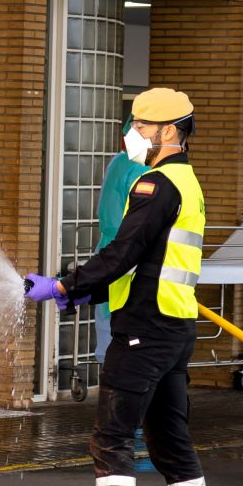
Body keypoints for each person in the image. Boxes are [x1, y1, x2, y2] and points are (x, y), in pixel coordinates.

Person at [25, 87, 212, 486]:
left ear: (168, 130)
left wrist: (66, 285)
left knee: (110, 439)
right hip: (173, 328)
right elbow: (150, 262)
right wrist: (86, 294)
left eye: (141, 125)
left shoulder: (155, 185)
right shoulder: (187, 181)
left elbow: (126, 248)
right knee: (170, 440)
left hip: (144, 334)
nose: (133, 133)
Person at [94, 116, 149, 363]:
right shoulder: (141, 170)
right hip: (129, 256)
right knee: (126, 339)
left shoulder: (117, 163)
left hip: (109, 251)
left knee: (108, 329)